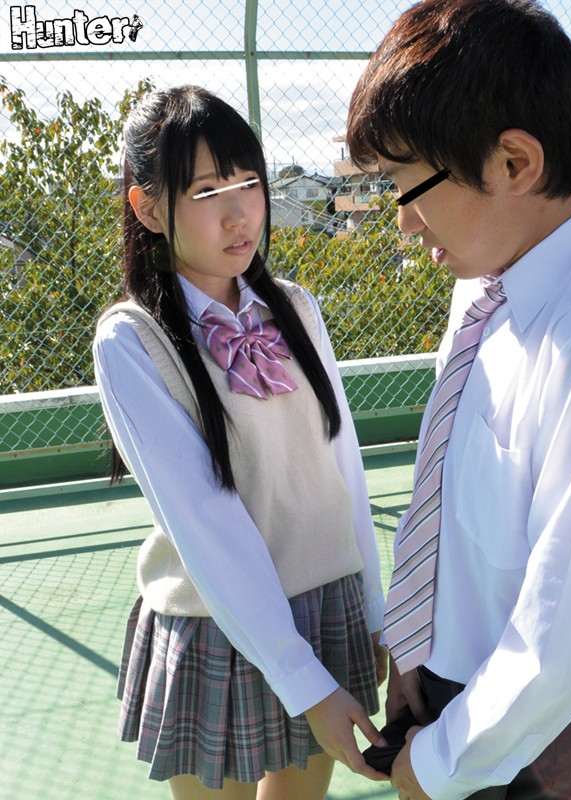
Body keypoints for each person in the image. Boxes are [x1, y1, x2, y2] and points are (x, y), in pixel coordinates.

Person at [346, 1, 571, 798]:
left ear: (514, 163)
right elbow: (443, 477)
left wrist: (440, 764)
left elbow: (567, 626)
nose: (404, 222)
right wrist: (415, 650)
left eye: (409, 185)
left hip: (551, 734)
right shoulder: (489, 278)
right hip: (463, 694)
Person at [93, 85, 389, 800]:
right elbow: (205, 520)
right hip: (216, 620)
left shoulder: (296, 307)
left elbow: (343, 469)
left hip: (323, 603)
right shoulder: (132, 339)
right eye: (205, 191)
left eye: (248, 183)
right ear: (147, 209)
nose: (239, 214)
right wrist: (301, 677)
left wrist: (379, 616)